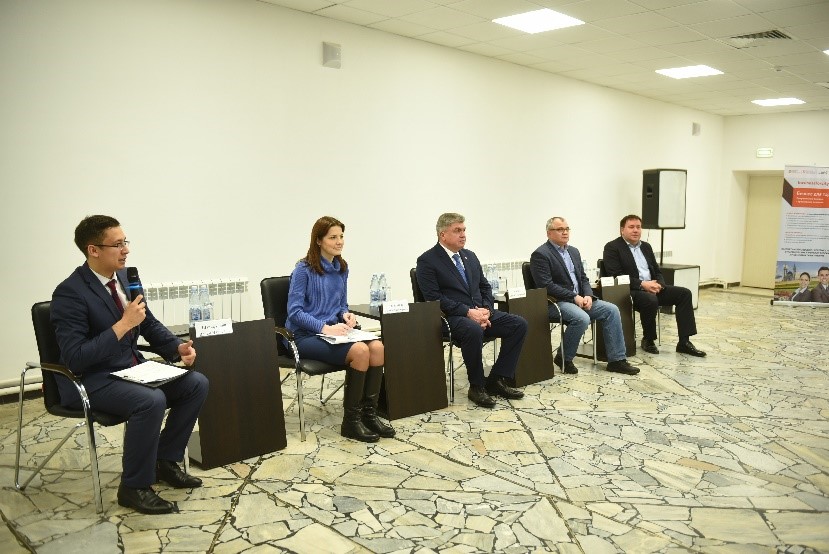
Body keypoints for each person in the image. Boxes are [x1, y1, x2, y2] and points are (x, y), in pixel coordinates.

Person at [51, 215, 209, 515]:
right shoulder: (70, 293)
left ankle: (165, 461)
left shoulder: (125, 278)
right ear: (93, 250)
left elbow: (147, 321)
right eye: (117, 244)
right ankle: (134, 487)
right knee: (151, 400)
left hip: (131, 369)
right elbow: (75, 357)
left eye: (126, 242)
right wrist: (122, 325)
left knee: (196, 383)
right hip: (91, 379)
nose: (126, 250)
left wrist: (176, 348)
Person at [286, 216, 393, 443]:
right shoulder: (303, 270)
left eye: (341, 236)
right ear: (318, 240)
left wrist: (346, 314)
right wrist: (325, 327)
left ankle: (369, 415)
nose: (339, 241)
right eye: (333, 237)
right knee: (360, 352)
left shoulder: (341, 268)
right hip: (303, 336)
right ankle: (351, 422)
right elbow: (294, 313)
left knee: (378, 347)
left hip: (333, 332)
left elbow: (341, 304)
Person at [416, 213, 527, 408]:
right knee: (473, 329)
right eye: (457, 230)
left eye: (464, 230)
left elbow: (484, 287)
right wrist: (468, 312)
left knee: (519, 324)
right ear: (443, 235)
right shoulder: (427, 260)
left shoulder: (470, 256)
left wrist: (486, 310)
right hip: (450, 317)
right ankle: (477, 386)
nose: (463, 235)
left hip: (479, 313)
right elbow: (434, 298)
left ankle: (497, 379)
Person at [530, 217, 640, 375]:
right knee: (582, 318)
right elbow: (546, 285)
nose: (565, 232)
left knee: (611, 310)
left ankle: (617, 360)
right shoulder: (541, 254)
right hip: (556, 302)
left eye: (567, 229)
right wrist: (574, 297)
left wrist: (588, 294)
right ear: (549, 233)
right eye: (560, 229)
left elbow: (583, 278)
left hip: (580, 299)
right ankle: (564, 358)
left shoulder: (573, 251)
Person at [602, 214, 706, 357]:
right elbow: (616, 275)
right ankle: (648, 339)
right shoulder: (612, 247)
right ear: (622, 230)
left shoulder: (646, 247)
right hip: (630, 291)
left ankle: (684, 342)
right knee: (650, 300)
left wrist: (660, 285)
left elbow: (657, 271)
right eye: (631, 227)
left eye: (638, 227)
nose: (635, 230)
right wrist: (643, 284)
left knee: (684, 294)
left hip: (652, 287)